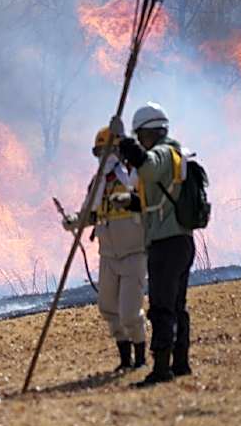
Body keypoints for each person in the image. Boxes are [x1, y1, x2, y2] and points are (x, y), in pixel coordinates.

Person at [113, 102, 195, 386]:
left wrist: (123, 140)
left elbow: (146, 169)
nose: (140, 142)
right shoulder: (175, 153)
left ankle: (161, 369)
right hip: (181, 241)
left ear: (151, 132)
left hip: (166, 244)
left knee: (161, 307)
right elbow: (159, 201)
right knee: (177, 306)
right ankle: (181, 363)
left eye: (140, 136)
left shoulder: (162, 152)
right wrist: (131, 201)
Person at [63, 126, 146, 371]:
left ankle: (141, 358)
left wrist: (129, 201)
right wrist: (74, 221)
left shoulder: (134, 176)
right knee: (108, 308)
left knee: (130, 312)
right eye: (100, 152)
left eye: (108, 151)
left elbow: (147, 204)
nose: (104, 157)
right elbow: (90, 214)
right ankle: (125, 360)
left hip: (134, 253)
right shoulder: (97, 183)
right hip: (108, 255)